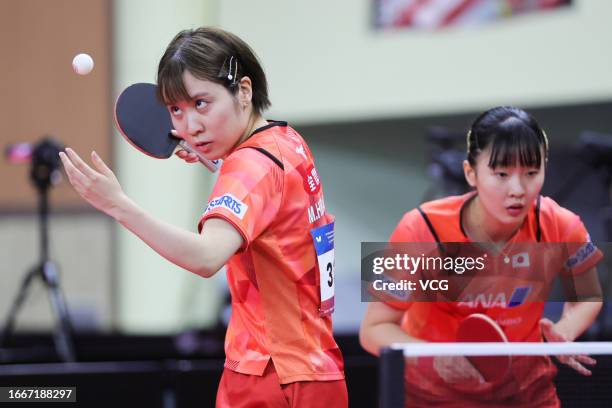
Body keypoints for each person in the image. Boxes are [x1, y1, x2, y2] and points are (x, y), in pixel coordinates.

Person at [60, 27, 347, 407]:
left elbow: (207, 256)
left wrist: (118, 205)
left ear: (243, 91)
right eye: (175, 110)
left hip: (270, 377)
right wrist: (221, 159)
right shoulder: (287, 142)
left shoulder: (248, 167)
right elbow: (270, 194)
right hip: (318, 371)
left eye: (201, 104)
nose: (187, 127)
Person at [359, 106, 603, 407]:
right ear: (470, 173)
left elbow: (588, 295)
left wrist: (564, 331)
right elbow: (373, 331)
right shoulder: (421, 229)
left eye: (531, 172)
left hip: (526, 396)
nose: (517, 189)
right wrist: (434, 356)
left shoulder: (560, 225)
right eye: (501, 174)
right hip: (433, 399)